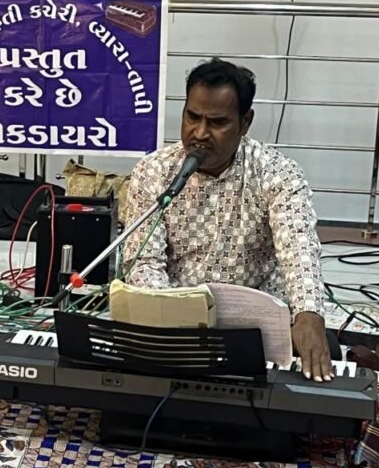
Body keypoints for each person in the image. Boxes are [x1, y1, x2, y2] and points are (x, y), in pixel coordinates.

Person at [122, 58, 333, 382]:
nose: (200, 133)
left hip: (256, 330)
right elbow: (144, 261)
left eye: (217, 122)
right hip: (177, 327)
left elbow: (298, 249)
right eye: (192, 117)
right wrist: (169, 329)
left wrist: (308, 312)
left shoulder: (277, 173)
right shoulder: (153, 171)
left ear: (245, 122)